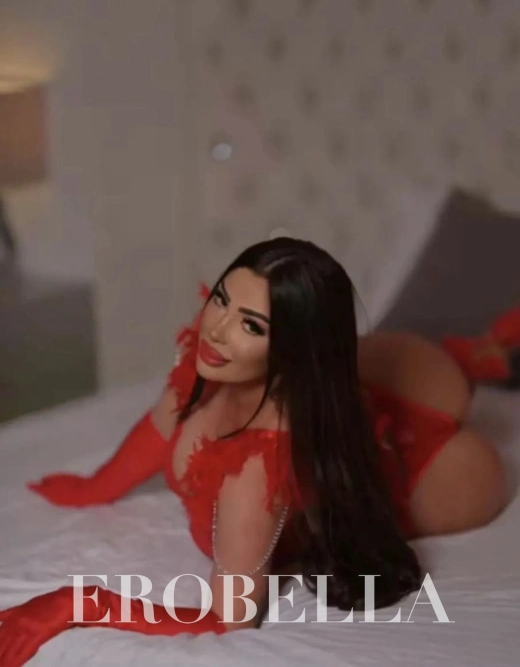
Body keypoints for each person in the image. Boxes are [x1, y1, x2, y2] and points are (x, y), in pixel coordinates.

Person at [0, 237, 514, 666]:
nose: (216, 329)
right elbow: (161, 426)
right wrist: (94, 487)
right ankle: (470, 359)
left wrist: (75, 604)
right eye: (221, 298)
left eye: (251, 325)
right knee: (419, 369)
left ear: (292, 351)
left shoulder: (256, 471)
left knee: (456, 429)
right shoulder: (212, 362)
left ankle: (486, 360)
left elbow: (228, 619)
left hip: (411, 472)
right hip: (342, 399)